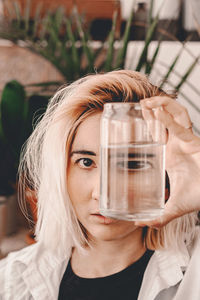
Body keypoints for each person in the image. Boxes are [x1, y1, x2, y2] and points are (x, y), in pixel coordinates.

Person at [0, 70, 200, 300]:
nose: (102, 193)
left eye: (132, 164)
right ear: (61, 171)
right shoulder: (11, 281)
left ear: (166, 177)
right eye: (86, 162)